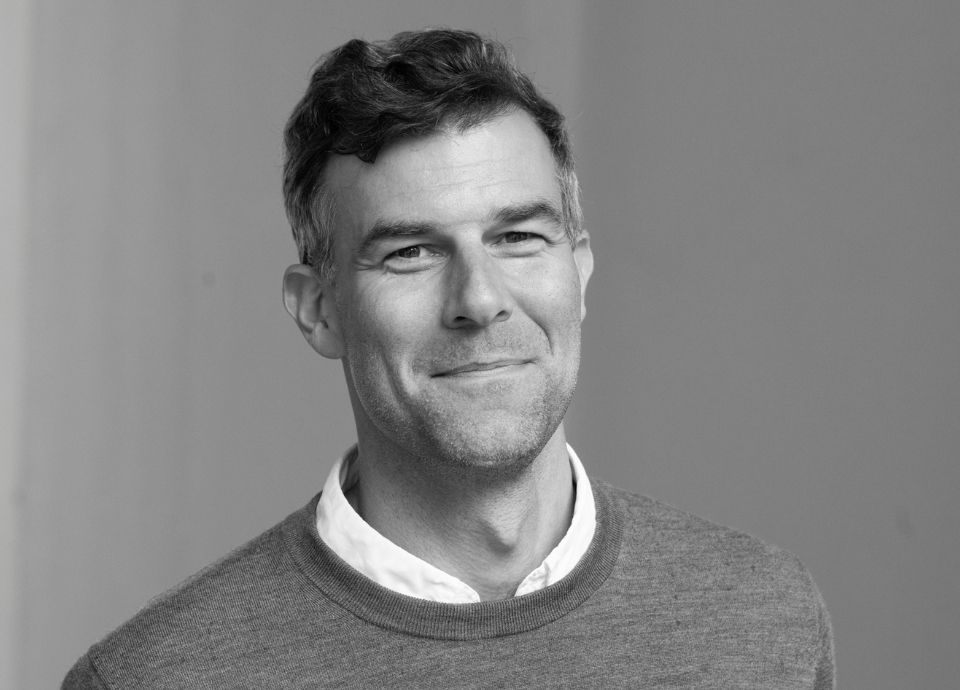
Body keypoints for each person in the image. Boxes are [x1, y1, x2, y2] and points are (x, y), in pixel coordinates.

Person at [63, 28, 834, 688]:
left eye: (518, 237)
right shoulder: (153, 678)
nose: (480, 299)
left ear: (579, 274)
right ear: (319, 309)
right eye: (410, 252)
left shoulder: (765, 624)